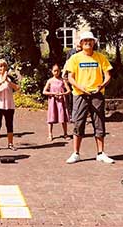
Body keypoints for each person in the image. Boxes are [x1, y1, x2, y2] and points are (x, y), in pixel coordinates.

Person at [64, 31, 114, 164]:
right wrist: (81, 88)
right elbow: (70, 77)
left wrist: (102, 85)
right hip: (80, 95)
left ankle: (101, 153)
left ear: (94, 42)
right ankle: (76, 153)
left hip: (97, 94)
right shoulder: (74, 58)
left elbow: (108, 75)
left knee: (99, 123)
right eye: (85, 40)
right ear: (80, 43)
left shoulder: (101, 57)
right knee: (79, 123)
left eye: (90, 40)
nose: (87, 42)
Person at [0, 59, 20, 151]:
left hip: (9, 105)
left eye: (4, 66)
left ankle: (10, 144)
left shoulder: (10, 77)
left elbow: (17, 88)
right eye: (0, 66)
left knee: (9, 124)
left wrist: (8, 81)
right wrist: (2, 81)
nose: (2, 68)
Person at [43, 63, 71, 141]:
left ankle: (65, 134)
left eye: (58, 71)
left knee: (63, 117)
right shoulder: (50, 81)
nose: (56, 72)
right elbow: (44, 91)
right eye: (55, 71)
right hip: (52, 102)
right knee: (51, 117)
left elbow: (69, 90)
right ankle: (50, 134)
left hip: (61, 101)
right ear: (52, 71)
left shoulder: (62, 81)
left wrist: (63, 93)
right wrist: (52, 94)